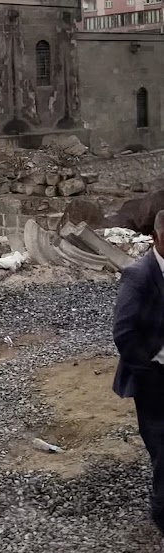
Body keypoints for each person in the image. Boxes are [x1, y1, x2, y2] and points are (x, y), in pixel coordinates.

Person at [113, 210, 164, 533]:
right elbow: (124, 331)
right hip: (154, 378)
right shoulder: (139, 275)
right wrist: (145, 372)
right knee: (162, 447)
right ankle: (161, 513)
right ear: (159, 236)